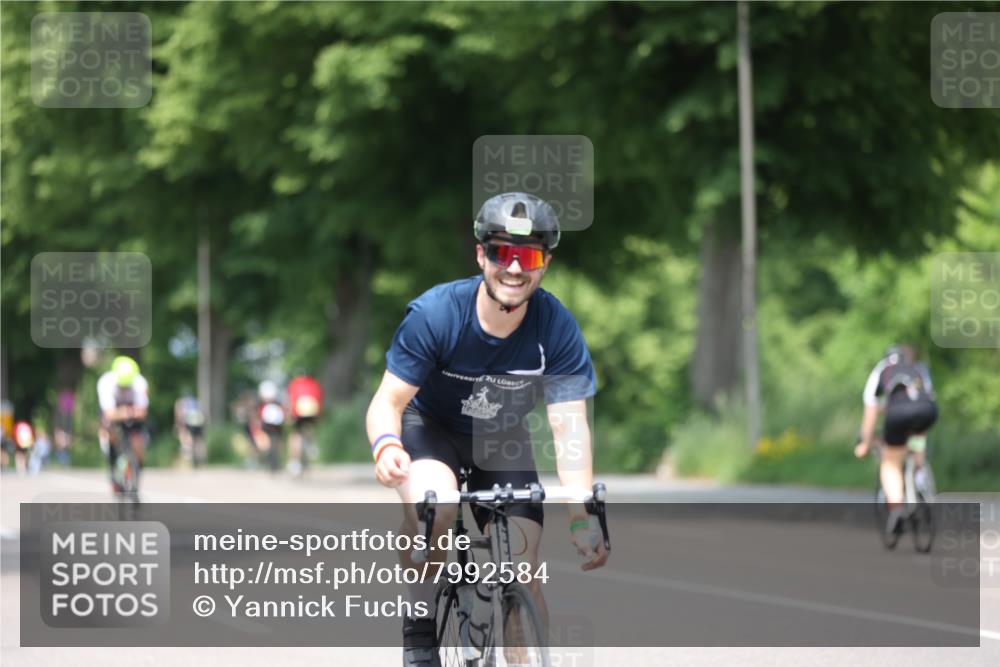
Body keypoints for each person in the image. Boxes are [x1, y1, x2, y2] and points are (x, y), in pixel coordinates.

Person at [366, 192, 608, 667]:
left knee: (524, 568)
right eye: (502, 253)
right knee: (437, 508)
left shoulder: (555, 327)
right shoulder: (436, 315)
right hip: (430, 428)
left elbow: (569, 425)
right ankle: (419, 620)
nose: (515, 268)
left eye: (529, 256)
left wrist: (580, 515)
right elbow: (387, 402)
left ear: (545, 264)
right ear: (481, 255)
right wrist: (386, 446)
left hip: (500, 439)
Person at [854, 344, 938, 535]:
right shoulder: (919, 368)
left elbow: (871, 413)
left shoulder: (882, 369)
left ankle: (897, 507)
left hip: (898, 414)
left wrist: (865, 444)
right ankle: (920, 475)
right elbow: (927, 397)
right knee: (917, 434)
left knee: (890, 461)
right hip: (927, 411)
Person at [97, 356, 150, 494]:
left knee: (138, 443)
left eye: (128, 385)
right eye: (122, 385)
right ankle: (112, 464)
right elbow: (109, 413)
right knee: (109, 431)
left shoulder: (140, 383)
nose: (125, 387)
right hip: (113, 412)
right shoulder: (105, 383)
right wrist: (125, 412)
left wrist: (128, 412)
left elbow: (143, 412)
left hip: (129, 411)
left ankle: (137, 475)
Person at [286, 374, 323, 476]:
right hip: (312, 409)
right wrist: (319, 414)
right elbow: (320, 397)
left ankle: (295, 462)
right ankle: (311, 445)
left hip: (298, 410)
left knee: (295, 434)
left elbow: (290, 399)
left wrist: (289, 415)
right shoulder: (313, 383)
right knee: (309, 428)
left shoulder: (294, 383)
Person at [174, 393, 206, 466]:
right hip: (199, 421)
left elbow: (179, 415)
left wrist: (178, 425)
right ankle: (201, 458)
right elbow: (203, 413)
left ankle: (188, 455)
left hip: (189, 421)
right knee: (199, 441)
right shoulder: (196, 402)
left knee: (186, 437)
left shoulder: (181, 403)